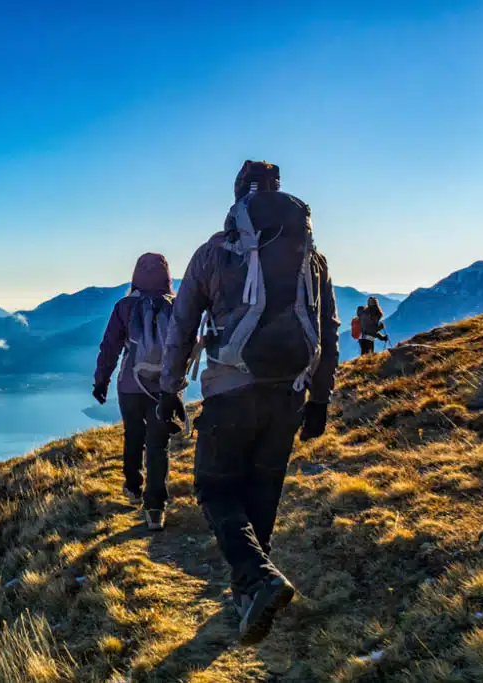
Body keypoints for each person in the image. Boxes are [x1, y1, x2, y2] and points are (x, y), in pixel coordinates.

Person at [157, 160, 339, 645]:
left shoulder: (215, 252)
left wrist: (170, 389)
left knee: (215, 489)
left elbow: (181, 327)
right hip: (290, 392)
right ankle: (251, 593)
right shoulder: (311, 258)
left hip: (230, 391)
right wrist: (320, 398)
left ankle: (257, 582)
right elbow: (328, 329)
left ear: (238, 197)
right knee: (262, 492)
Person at [93, 253, 174, 531]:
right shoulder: (176, 307)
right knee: (158, 444)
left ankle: (132, 487)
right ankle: (155, 508)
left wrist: (100, 382)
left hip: (130, 384)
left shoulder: (124, 306)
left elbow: (109, 348)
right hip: (164, 387)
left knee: (133, 436)